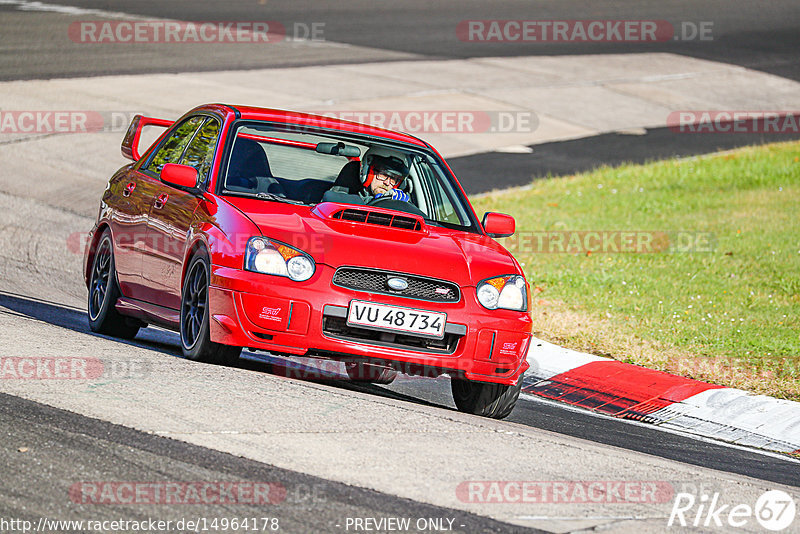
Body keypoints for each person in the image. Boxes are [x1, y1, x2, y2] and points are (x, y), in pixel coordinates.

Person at [322, 148, 411, 205]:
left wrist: (402, 206)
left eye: (394, 179)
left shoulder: (400, 201)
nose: (387, 183)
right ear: (366, 171)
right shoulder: (341, 198)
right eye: (383, 174)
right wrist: (373, 201)